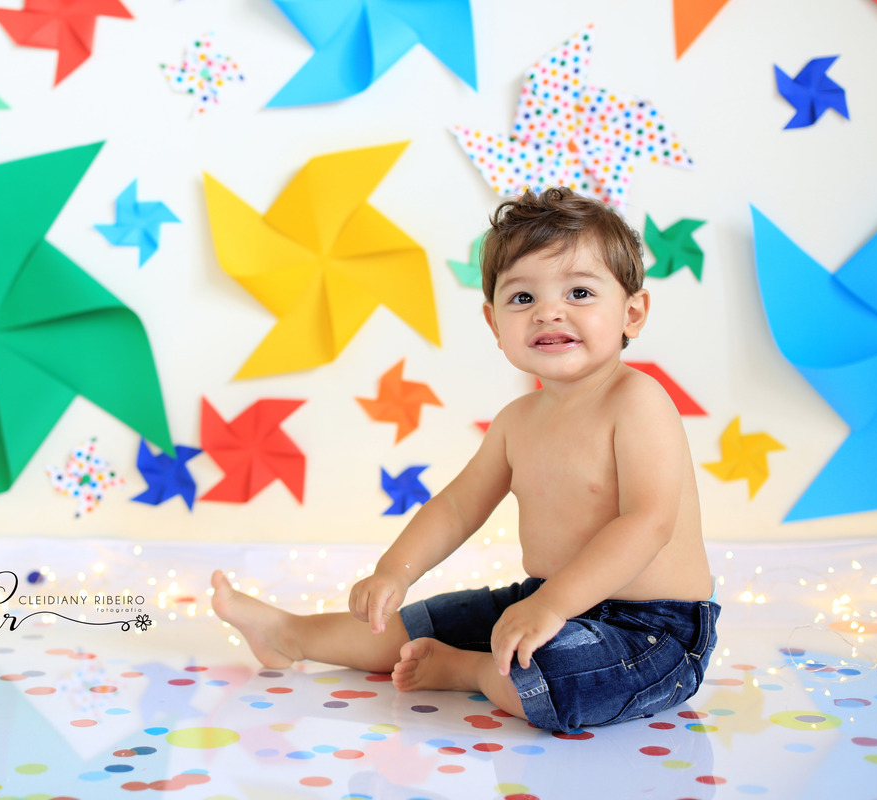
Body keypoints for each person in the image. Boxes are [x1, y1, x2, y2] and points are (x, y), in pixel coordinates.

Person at [210, 187, 719, 731]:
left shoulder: (637, 402)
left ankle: (470, 671)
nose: (549, 311)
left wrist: (553, 607)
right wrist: (394, 571)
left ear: (632, 312)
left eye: (579, 292)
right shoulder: (517, 421)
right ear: (494, 323)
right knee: (408, 626)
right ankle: (289, 634)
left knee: (548, 675)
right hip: (544, 599)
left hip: (651, 629)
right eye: (523, 298)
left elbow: (648, 522)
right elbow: (456, 508)